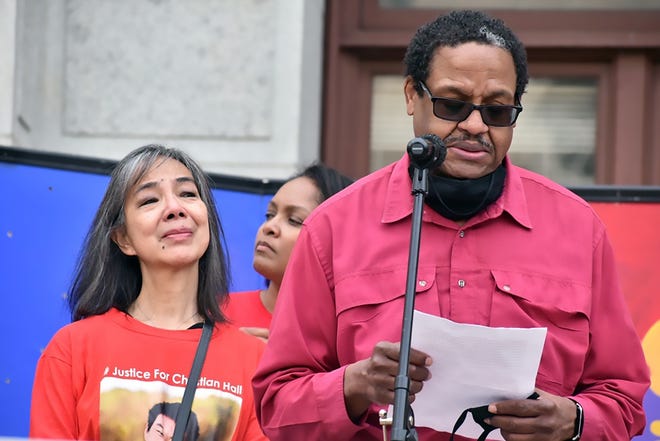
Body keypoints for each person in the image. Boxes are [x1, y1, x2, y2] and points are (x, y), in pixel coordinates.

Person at [252, 10, 650, 441]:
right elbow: (277, 405)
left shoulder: (577, 228)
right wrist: (356, 384)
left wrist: (573, 420)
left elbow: (624, 400)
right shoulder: (333, 225)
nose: (475, 125)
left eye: (497, 111)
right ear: (411, 96)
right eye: (452, 104)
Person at [29, 145, 267, 441]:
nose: (175, 208)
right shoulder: (72, 350)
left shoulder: (254, 359)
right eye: (150, 200)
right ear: (124, 238)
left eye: (188, 194)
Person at [223, 163, 354, 341]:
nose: (269, 227)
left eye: (293, 220)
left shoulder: (345, 341)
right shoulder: (215, 313)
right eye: (270, 214)